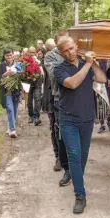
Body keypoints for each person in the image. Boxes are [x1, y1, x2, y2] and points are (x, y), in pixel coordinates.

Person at [54, 36, 107, 214]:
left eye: (71, 48)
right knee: (74, 155)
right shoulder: (59, 69)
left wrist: (93, 63)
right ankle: (80, 195)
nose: (70, 52)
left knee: (83, 156)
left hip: (87, 118)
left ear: (76, 46)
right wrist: (86, 64)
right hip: (68, 119)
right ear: (61, 53)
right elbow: (72, 83)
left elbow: (102, 79)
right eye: (65, 50)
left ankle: (76, 178)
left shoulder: (87, 64)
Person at [44, 30, 71, 186]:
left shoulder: (74, 51)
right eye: (62, 42)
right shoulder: (51, 56)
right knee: (59, 132)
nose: (66, 46)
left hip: (74, 98)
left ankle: (72, 166)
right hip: (59, 98)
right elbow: (56, 75)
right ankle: (61, 160)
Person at [42, 38, 61, 171]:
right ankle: (58, 157)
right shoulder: (48, 58)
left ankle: (62, 157)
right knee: (54, 128)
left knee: (59, 128)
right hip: (50, 97)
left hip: (59, 97)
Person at [0, 48, 21, 138]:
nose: (9, 57)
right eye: (7, 55)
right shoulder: (1, 66)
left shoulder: (18, 64)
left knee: (14, 109)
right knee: (9, 108)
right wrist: (4, 75)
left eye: (10, 55)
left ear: (13, 54)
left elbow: (22, 75)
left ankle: (10, 127)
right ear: (4, 56)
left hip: (16, 90)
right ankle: (12, 129)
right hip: (6, 91)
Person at [27, 46, 43, 126]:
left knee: (37, 99)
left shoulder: (39, 61)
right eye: (30, 52)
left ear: (36, 53)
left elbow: (41, 72)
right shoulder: (25, 61)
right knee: (29, 101)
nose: (32, 54)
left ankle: (37, 117)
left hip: (37, 83)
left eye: (33, 52)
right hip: (27, 83)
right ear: (28, 53)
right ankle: (31, 116)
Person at [97, 60, 110, 133]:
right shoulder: (98, 58)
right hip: (99, 83)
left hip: (109, 83)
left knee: (108, 102)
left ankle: (109, 121)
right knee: (100, 102)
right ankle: (102, 124)